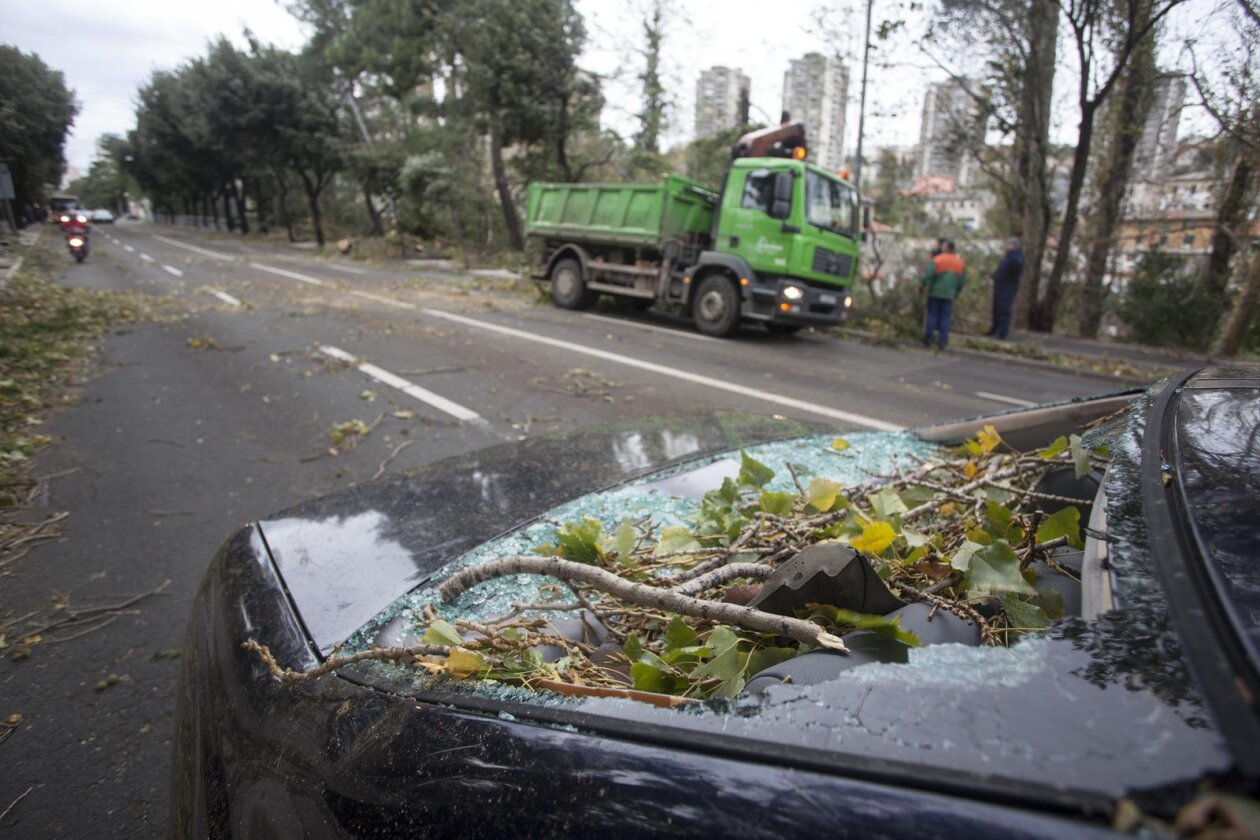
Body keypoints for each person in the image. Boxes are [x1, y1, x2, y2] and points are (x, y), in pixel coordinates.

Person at [921, 240, 966, 350]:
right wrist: (957, 291)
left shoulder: (937, 260)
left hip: (935, 292)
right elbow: (962, 281)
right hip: (949, 294)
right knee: (945, 317)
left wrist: (923, 286)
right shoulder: (960, 263)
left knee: (932, 315)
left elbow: (928, 276)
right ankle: (943, 341)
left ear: (945, 248)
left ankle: (928, 339)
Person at [986, 236, 1025, 339]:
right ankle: (995, 328)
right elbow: (1001, 270)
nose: (1006, 246)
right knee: (996, 308)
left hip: (1008, 287)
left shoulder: (1016, 256)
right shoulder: (1006, 257)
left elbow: (1017, 266)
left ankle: (1002, 332)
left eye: (1008, 244)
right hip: (1000, 285)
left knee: (1004, 308)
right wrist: (993, 277)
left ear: (1014, 245)